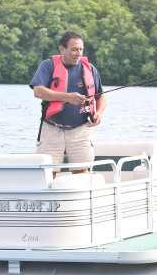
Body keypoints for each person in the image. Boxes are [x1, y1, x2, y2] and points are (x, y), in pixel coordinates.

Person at [30, 30, 106, 174]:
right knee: (48, 172)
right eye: (73, 49)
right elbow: (37, 91)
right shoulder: (48, 66)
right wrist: (66, 97)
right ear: (61, 49)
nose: (78, 53)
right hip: (52, 128)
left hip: (81, 130)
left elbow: (100, 96)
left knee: (81, 172)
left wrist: (99, 113)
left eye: (81, 49)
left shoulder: (90, 69)